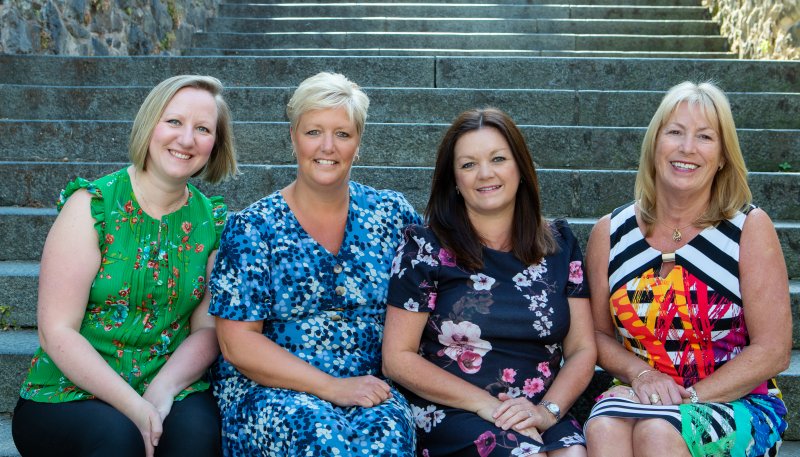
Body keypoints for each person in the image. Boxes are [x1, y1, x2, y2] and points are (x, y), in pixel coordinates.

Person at [11, 75, 239, 457]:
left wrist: (160, 393)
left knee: (199, 440)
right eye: (174, 122)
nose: (186, 139)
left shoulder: (213, 222)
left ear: (215, 144)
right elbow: (57, 331)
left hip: (169, 382)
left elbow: (207, 330)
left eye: (202, 129)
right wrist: (135, 408)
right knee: (119, 442)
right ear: (150, 124)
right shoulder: (92, 206)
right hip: (69, 390)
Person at [207, 71, 421, 456]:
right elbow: (236, 342)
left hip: (371, 386)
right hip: (272, 389)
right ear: (293, 137)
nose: (328, 146)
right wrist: (332, 387)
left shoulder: (393, 215)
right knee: (319, 437)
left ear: (359, 142)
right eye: (313, 132)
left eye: (342, 133)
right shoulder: (254, 227)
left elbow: (429, 299)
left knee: (386, 437)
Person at [583, 81, 791, 457]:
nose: (687, 148)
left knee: (658, 433)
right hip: (642, 392)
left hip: (735, 401)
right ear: (654, 144)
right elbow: (596, 334)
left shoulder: (748, 229)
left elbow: (773, 350)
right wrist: (642, 375)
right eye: (675, 132)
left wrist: (687, 399)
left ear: (723, 155)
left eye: (705, 137)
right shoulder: (609, 233)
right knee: (604, 427)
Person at [382, 107, 596, 457]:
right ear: (453, 180)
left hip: (537, 409)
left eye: (498, 158)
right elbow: (397, 357)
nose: (485, 174)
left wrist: (547, 412)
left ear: (521, 168)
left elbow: (583, 349)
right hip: (455, 410)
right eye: (468, 164)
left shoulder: (560, 245)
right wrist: (488, 407)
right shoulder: (425, 248)